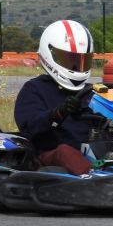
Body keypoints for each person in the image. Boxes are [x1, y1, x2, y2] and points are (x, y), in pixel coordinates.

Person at [13, 19, 95, 175]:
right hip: (50, 157)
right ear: (50, 54)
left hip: (93, 154)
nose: (76, 67)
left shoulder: (91, 93)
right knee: (65, 152)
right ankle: (94, 179)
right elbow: (30, 128)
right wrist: (59, 112)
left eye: (82, 61)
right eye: (69, 60)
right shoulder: (35, 89)